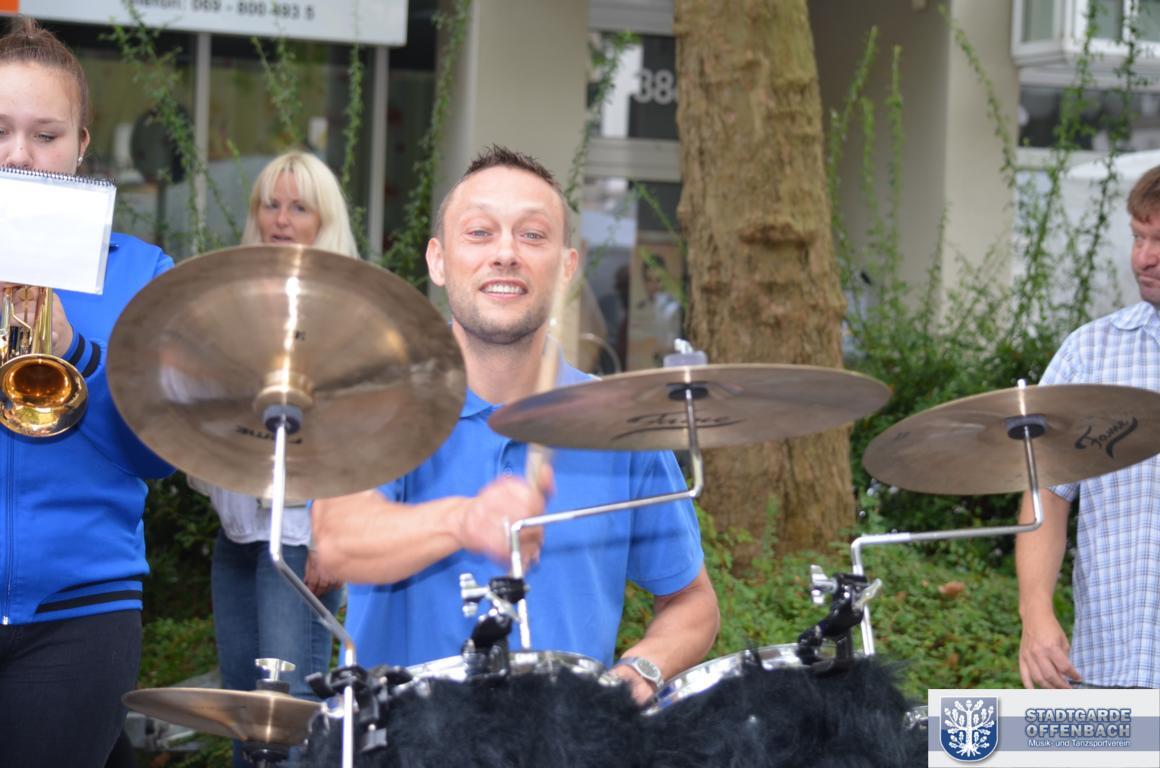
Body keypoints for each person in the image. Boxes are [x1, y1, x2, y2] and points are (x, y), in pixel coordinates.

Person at [311, 145, 719, 705]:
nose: (505, 254)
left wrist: (640, 672)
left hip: (569, 738)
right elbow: (336, 541)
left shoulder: (622, 425)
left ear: (568, 266)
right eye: (480, 233)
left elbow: (693, 602)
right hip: (401, 736)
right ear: (438, 260)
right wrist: (464, 521)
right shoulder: (381, 401)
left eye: (532, 235)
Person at [0, 16, 174, 766]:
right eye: (0, 130)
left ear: (80, 146)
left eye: (46, 134)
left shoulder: (141, 272)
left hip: (83, 615)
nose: (19, 154)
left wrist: (76, 353)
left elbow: (158, 456)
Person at [188, 150, 356, 766]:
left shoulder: (350, 312)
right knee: (245, 719)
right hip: (237, 534)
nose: (281, 220)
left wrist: (332, 535)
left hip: (298, 538)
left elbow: (362, 434)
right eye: (271, 204)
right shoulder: (234, 301)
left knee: (288, 723)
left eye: (299, 207)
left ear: (324, 221)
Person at [1016, 165, 1160, 690]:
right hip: (1108, 666)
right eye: (1138, 237)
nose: (1143, 258)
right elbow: (1047, 492)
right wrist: (1035, 614)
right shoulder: (1090, 352)